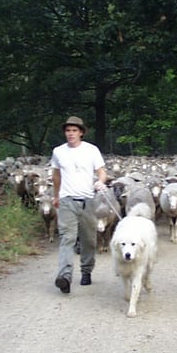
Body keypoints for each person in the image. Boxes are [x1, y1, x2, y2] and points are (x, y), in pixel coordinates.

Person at [50, 116, 108, 294]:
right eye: (68, 131)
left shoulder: (91, 150)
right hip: (67, 200)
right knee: (67, 238)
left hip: (88, 200)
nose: (70, 134)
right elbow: (56, 175)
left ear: (81, 132)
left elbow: (101, 171)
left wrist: (100, 181)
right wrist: (56, 196)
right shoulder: (58, 152)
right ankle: (65, 276)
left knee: (89, 240)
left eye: (74, 130)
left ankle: (86, 270)